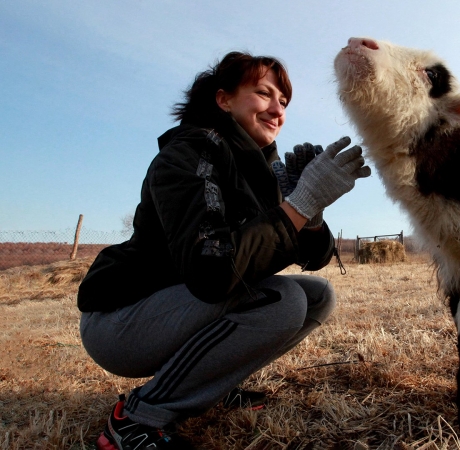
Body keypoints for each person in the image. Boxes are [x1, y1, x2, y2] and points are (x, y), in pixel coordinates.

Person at [77, 51, 370, 449]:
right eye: (264, 93)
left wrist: (310, 210)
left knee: (317, 297)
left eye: (283, 102)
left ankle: (212, 383)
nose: (276, 109)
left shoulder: (262, 172)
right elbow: (212, 273)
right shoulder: (189, 154)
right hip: (121, 319)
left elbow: (315, 259)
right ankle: (137, 419)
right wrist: (298, 204)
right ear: (223, 99)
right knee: (280, 300)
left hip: (180, 308)